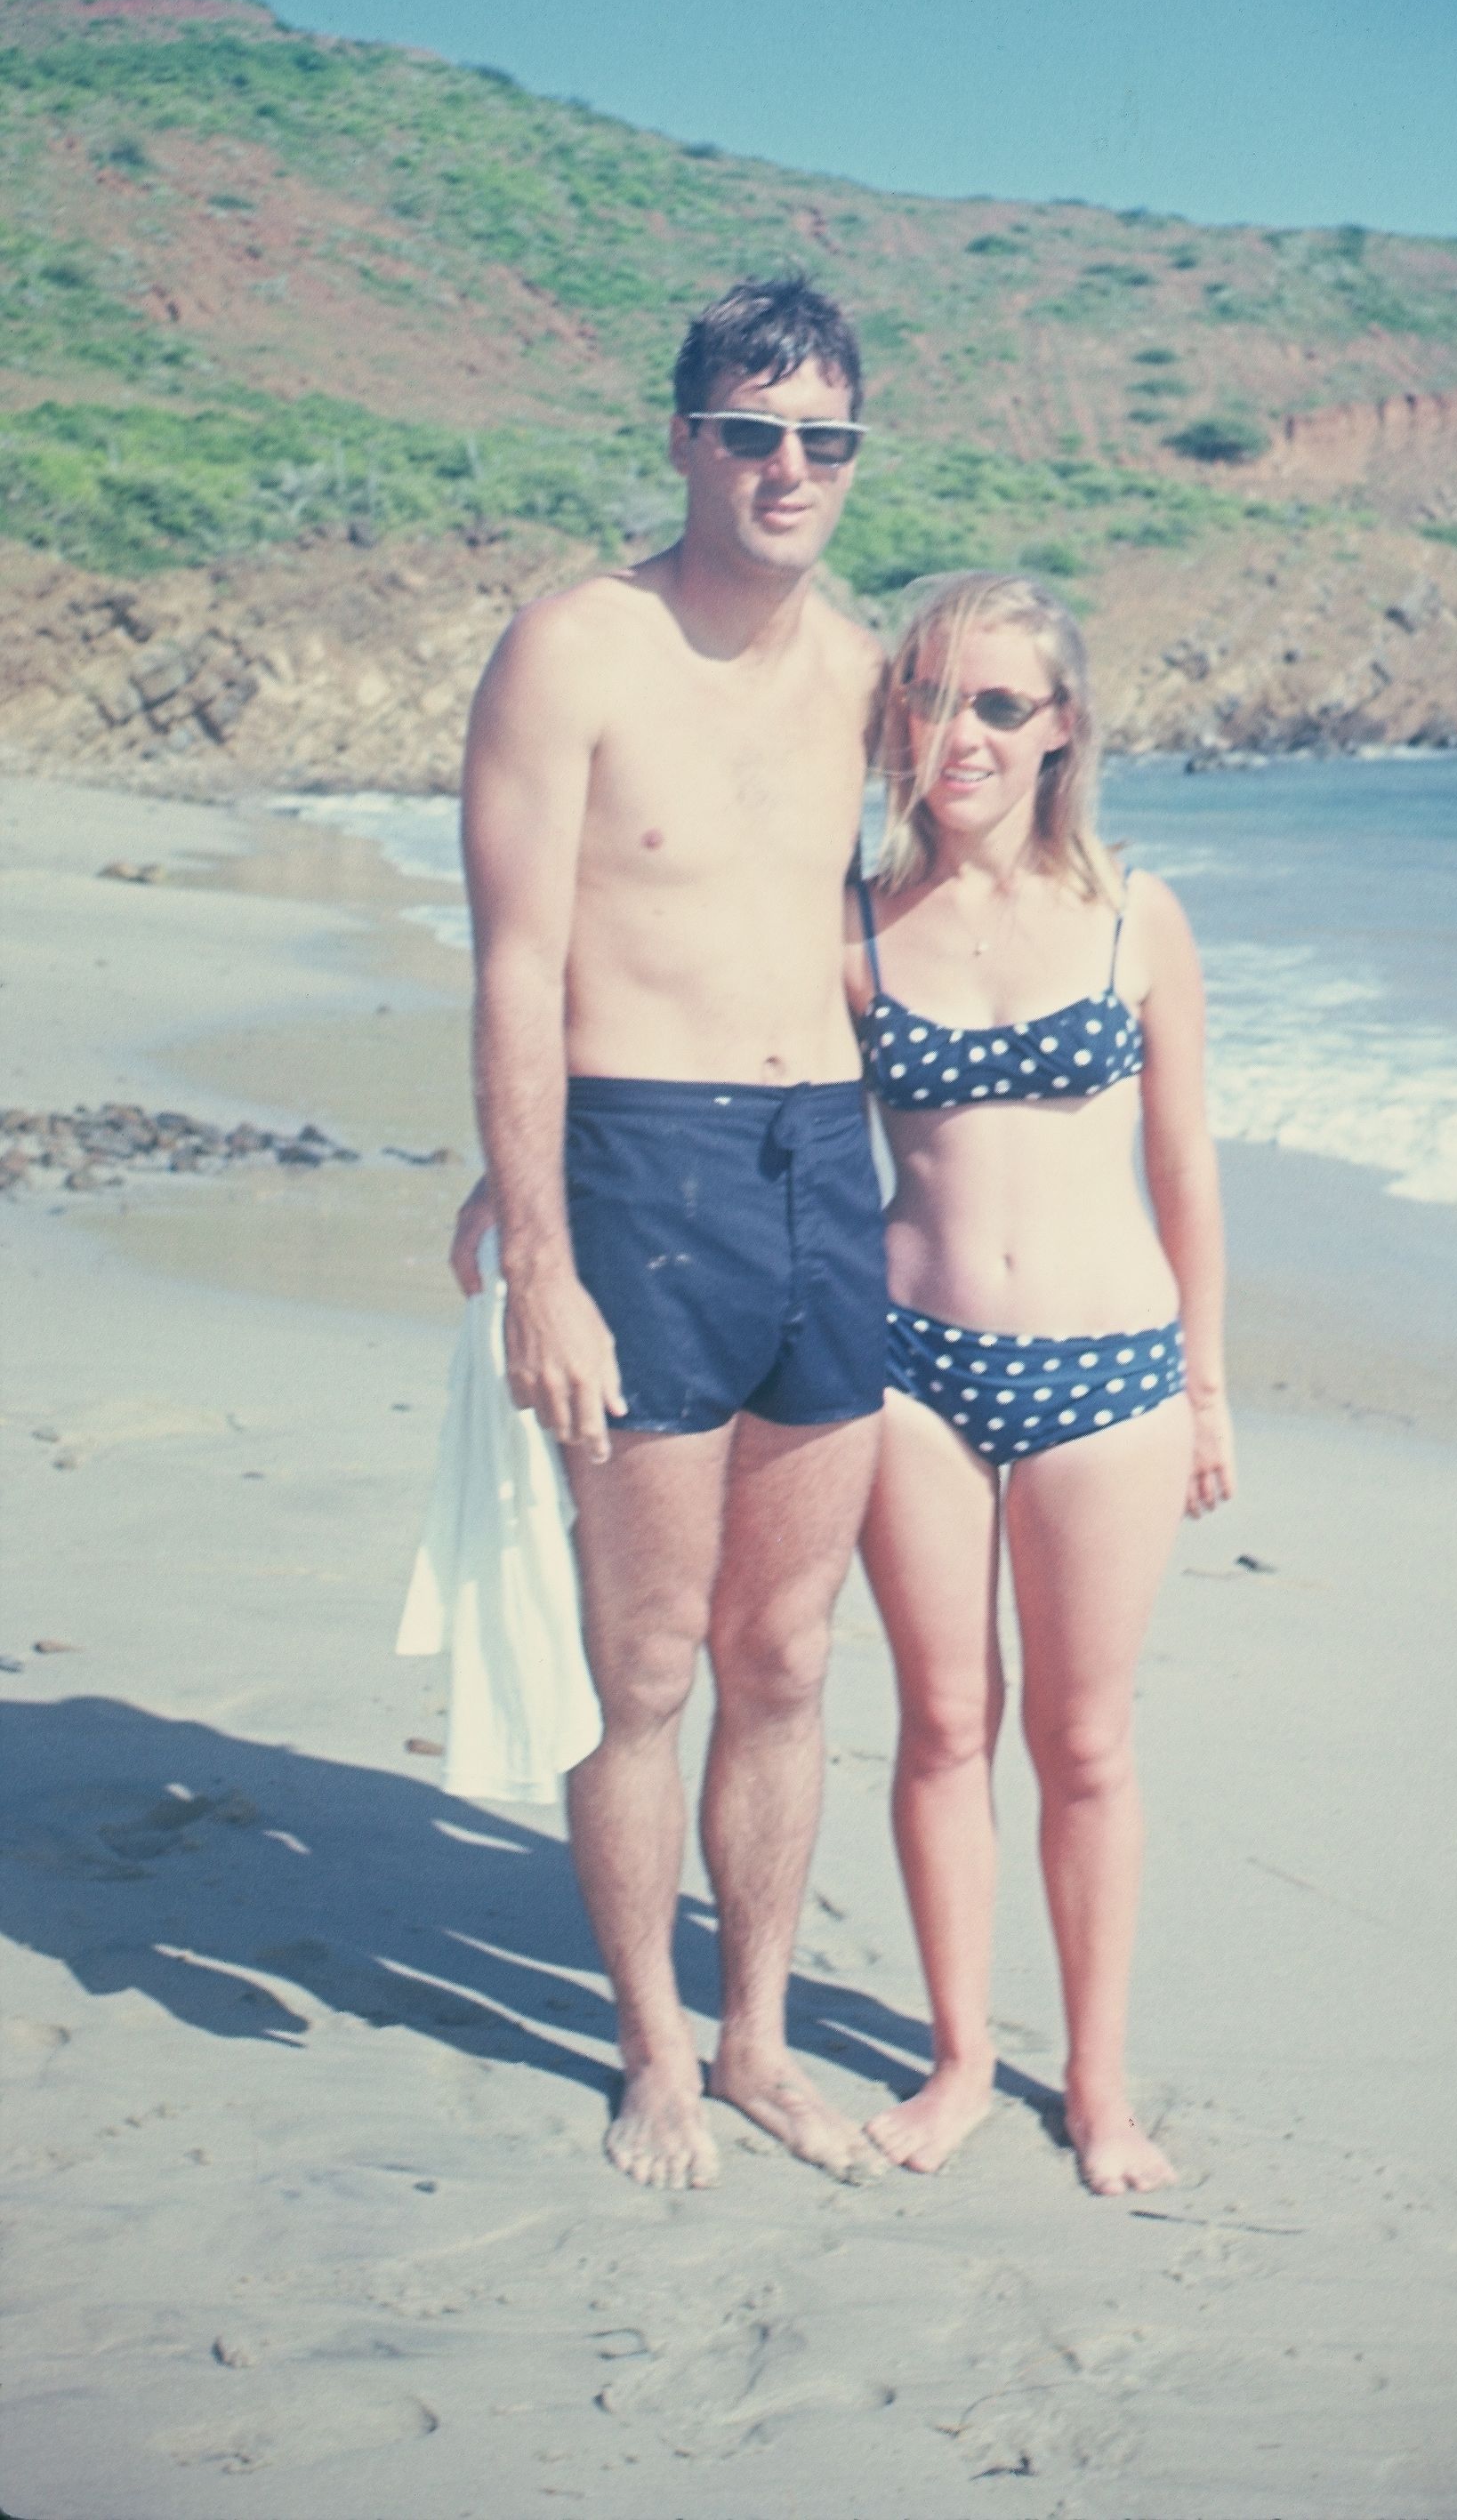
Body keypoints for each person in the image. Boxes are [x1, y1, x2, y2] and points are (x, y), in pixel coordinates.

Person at [451, 276, 889, 2192]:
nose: (791, 468)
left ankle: (758, 2038)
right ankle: (650, 2048)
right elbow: (515, 960)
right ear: (686, 439)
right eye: (754, 432)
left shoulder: (864, 673)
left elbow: (916, 925)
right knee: (644, 1661)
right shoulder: (577, 649)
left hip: (825, 1173)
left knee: (783, 1652)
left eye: (825, 439)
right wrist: (540, 1250)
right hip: (642, 1171)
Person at [845, 571, 1235, 2196]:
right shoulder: (853, 919)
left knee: (1085, 1744)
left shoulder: (1140, 914)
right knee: (944, 1724)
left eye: (999, 704)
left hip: (1113, 1380)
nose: (963, 735)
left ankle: (1095, 2087)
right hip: (907, 1369)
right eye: (932, 697)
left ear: (1062, 723)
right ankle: (954, 2062)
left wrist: (1208, 1390)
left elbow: (1185, 1165)